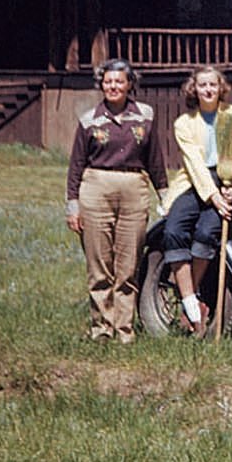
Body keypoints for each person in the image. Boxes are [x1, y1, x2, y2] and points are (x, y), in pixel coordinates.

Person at [65, 59, 167, 343]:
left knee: (128, 262)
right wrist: (72, 204)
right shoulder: (89, 119)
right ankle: (102, 329)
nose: (113, 86)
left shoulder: (144, 116)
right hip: (96, 188)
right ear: (101, 84)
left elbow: (155, 158)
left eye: (119, 81)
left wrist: (164, 193)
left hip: (134, 187)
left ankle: (125, 330)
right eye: (108, 81)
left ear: (129, 84)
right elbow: (75, 166)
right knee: (99, 263)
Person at [159, 66, 232, 334]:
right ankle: (191, 303)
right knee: (173, 230)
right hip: (195, 182)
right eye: (202, 85)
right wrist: (212, 195)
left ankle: (190, 298)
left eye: (213, 84)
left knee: (206, 231)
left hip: (226, 182)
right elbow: (195, 164)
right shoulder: (184, 123)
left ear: (221, 86)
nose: (208, 90)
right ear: (194, 89)